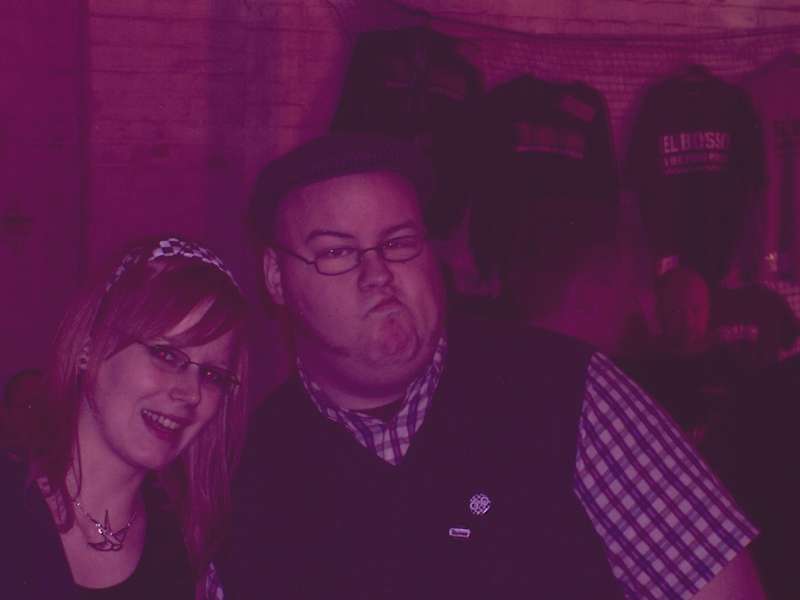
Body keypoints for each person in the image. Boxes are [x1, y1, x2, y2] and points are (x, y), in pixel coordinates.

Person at [222, 133, 765, 599]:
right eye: (337, 252)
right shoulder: (250, 466)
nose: (378, 273)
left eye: (399, 242)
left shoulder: (566, 392)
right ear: (275, 278)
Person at [1, 236, 249, 599]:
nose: (191, 393)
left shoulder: (186, 552)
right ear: (89, 347)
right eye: (166, 355)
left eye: (212, 375)